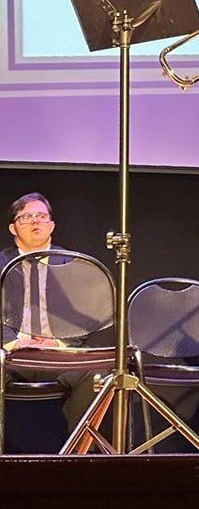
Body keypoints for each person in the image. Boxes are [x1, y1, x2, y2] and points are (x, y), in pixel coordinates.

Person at [0, 192, 96, 449]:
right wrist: (12, 344)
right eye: (26, 217)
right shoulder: (1, 264)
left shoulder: (73, 264)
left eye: (41, 216)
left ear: (51, 225)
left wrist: (59, 344)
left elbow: (86, 315)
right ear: (13, 228)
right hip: (10, 356)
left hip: (58, 356)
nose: (35, 221)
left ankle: (79, 456)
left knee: (97, 374)